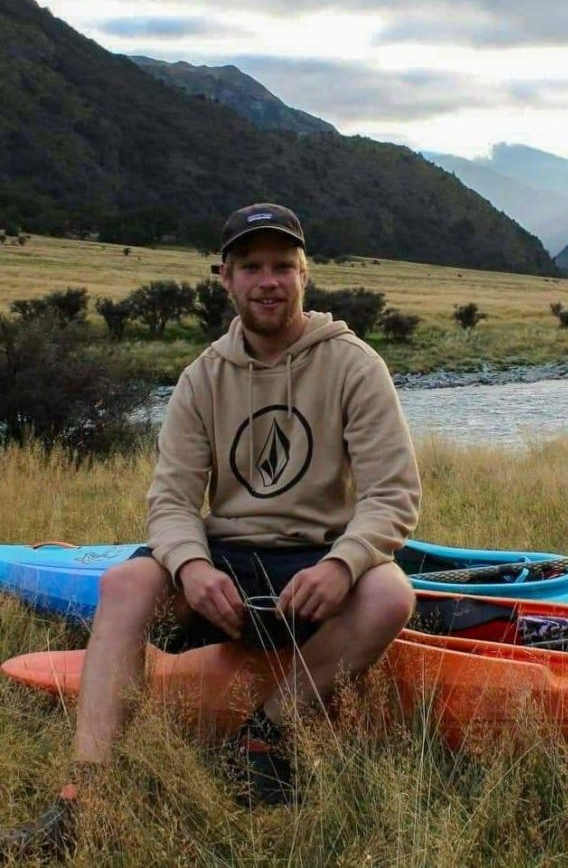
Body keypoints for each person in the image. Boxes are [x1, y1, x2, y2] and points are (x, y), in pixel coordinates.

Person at [1, 202, 421, 856]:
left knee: (391, 594)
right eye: (251, 266)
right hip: (224, 556)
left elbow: (391, 494)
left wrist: (343, 565)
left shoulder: (353, 365)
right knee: (126, 583)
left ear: (304, 273)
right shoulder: (202, 378)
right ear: (225, 279)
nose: (268, 281)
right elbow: (170, 500)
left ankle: (265, 737)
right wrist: (193, 568)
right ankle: (83, 798)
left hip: (317, 557)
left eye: (283, 265)